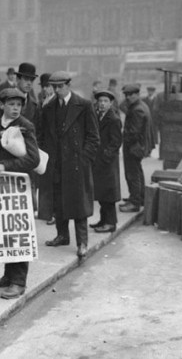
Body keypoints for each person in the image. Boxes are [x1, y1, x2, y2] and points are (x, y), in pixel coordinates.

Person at [0, 88, 39, 299]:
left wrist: (5, 164)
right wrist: (0, 135)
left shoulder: (26, 126)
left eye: (19, 105)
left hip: (17, 185)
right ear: (1, 105)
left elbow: (33, 159)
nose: (15, 108)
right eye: (11, 104)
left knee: (18, 231)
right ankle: (8, 275)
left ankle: (19, 281)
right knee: (4, 228)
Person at [38, 71, 99, 258]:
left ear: (68, 85)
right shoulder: (48, 108)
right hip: (56, 163)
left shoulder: (84, 105)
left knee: (79, 205)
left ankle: (82, 243)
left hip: (76, 164)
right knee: (58, 202)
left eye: (60, 86)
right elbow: (41, 135)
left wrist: (83, 158)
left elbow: (93, 137)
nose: (57, 90)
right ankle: (62, 235)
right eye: (53, 87)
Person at [90, 90, 122, 233]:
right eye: (100, 101)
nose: (102, 104)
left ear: (111, 103)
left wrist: (105, 157)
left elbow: (116, 143)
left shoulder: (113, 119)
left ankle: (111, 223)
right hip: (100, 162)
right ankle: (103, 220)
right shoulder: (98, 116)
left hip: (108, 164)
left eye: (105, 101)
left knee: (109, 195)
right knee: (102, 194)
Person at [120, 84, 154, 213]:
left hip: (134, 146)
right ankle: (139, 197)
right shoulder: (140, 105)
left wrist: (124, 139)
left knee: (132, 174)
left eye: (131, 95)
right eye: (126, 95)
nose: (128, 97)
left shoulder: (137, 109)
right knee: (137, 172)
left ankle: (134, 203)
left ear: (137, 94)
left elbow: (134, 132)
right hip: (138, 146)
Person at [36, 72, 56, 225]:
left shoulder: (55, 102)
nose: (45, 89)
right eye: (43, 86)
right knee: (43, 178)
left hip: (53, 146)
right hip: (42, 145)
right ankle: (44, 212)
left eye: (48, 86)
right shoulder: (41, 100)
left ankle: (54, 213)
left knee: (53, 180)